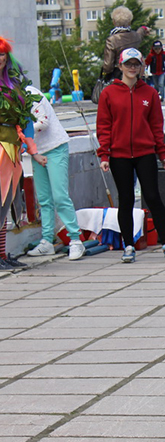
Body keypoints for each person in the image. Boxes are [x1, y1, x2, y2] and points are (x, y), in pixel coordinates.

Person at [97, 48, 165, 264]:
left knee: (152, 196)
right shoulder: (109, 93)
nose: (132, 68)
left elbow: (156, 126)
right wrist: (104, 155)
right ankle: (129, 246)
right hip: (119, 154)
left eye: (136, 64)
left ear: (142, 66)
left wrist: (162, 154)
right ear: (120, 66)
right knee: (125, 199)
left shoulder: (150, 93)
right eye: (128, 64)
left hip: (145, 152)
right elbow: (104, 126)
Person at [25, 84, 85, 261]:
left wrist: (19, 131)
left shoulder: (31, 94)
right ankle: (47, 241)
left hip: (55, 147)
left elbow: (43, 123)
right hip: (36, 151)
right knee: (43, 199)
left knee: (60, 196)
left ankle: (76, 239)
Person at [0, 38, 38, 270]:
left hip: (13, 151)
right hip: (1, 151)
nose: (0, 59)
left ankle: (3, 253)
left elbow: (25, 121)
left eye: (3, 54)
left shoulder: (14, 86)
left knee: (7, 204)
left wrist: (27, 143)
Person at [101, 6, 148, 83]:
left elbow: (108, 66)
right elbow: (140, 33)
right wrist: (144, 28)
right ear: (129, 22)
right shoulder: (136, 36)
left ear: (114, 22)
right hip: (135, 76)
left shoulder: (111, 40)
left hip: (118, 77)